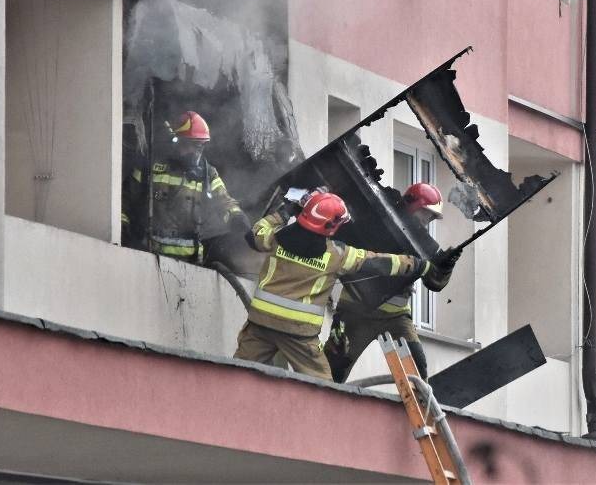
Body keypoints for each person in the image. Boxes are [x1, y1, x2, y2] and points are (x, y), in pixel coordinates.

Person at [234, 189, 452, 380]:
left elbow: (254, 234)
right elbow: (379, 262)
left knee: (235, 373)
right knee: (324, 390)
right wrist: (418, 265)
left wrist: (284, 212)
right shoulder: (335, 255)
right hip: (297, 334)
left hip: (259, 324)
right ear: (329, 227)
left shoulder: (276, 239)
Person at [326, 183, 462, 382]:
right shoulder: (376, 222)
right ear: (414, 206)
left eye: (432, 217)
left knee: (418, 371)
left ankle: (420, 409)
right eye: (426, 214)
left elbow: (435, 284)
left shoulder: (426, 244)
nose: (428, 221)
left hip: (396, 318)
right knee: (333, 373)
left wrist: (446, 267)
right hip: (356, 313)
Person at [121, 111, 250, 264]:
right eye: (191, 145)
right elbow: (124, 201)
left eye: (200, 146)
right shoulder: (150, 168)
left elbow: (224, 201)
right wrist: (123, 231)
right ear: (176, 141)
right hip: (150, 258)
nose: (196, 152)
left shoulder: (207, 173)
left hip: (192, 263)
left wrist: (236, 217)